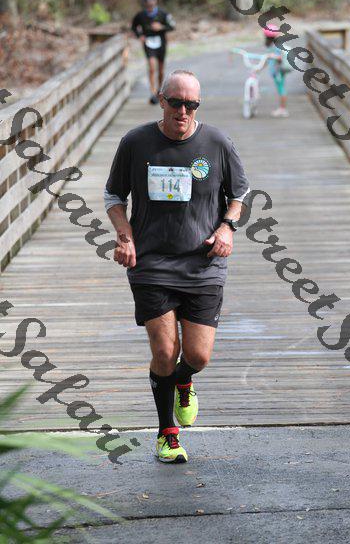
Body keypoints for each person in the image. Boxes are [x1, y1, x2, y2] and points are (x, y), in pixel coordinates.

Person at [104, 70, 249, 463]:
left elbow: (239, 194)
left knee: (197, 357)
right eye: (176, 102)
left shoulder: (217, 143)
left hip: (203, 264)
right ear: (161, 99)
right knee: (165, 351)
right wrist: (124, 234)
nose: (183, 111)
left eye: (192, 105)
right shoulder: (135, 142)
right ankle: (166, 433)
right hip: (151, 263)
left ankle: (184, 381)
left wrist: (227, 227)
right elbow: (114, 195)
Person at [131, 0, 175, 105]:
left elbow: (172, 26)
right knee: (151, 67)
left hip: (161, 42)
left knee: (160, 69)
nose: (150, 6)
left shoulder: (163, 14)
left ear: (155, 3)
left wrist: (161, 27)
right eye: (148, 5)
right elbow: (134, 27)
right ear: (145, 4)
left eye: (152, 4)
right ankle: (152, 91)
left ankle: (160, 90)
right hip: (148, 43)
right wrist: (140, 36)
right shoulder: (140, 15)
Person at [263, 23, 290, 118]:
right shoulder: (274, 45)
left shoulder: (276, 45)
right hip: (277, 71)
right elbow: (268, 60)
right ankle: (282, 108)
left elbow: (279, 57)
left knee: (281, 89)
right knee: (281, 89)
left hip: (279, 71)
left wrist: (271, 56)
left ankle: (283, 109)